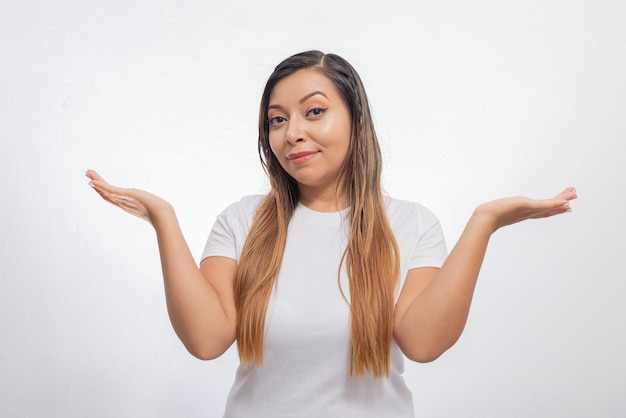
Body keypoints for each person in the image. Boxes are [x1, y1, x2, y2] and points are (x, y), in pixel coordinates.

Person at [86, 50, 576, 417]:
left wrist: (483, 223)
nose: (291, 132)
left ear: (354, 119)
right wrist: (164, 220)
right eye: (277, 120)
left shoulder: (410, 224)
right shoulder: (242, 221)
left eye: (314, 111)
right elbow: (207, 339)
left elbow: (424, 344)